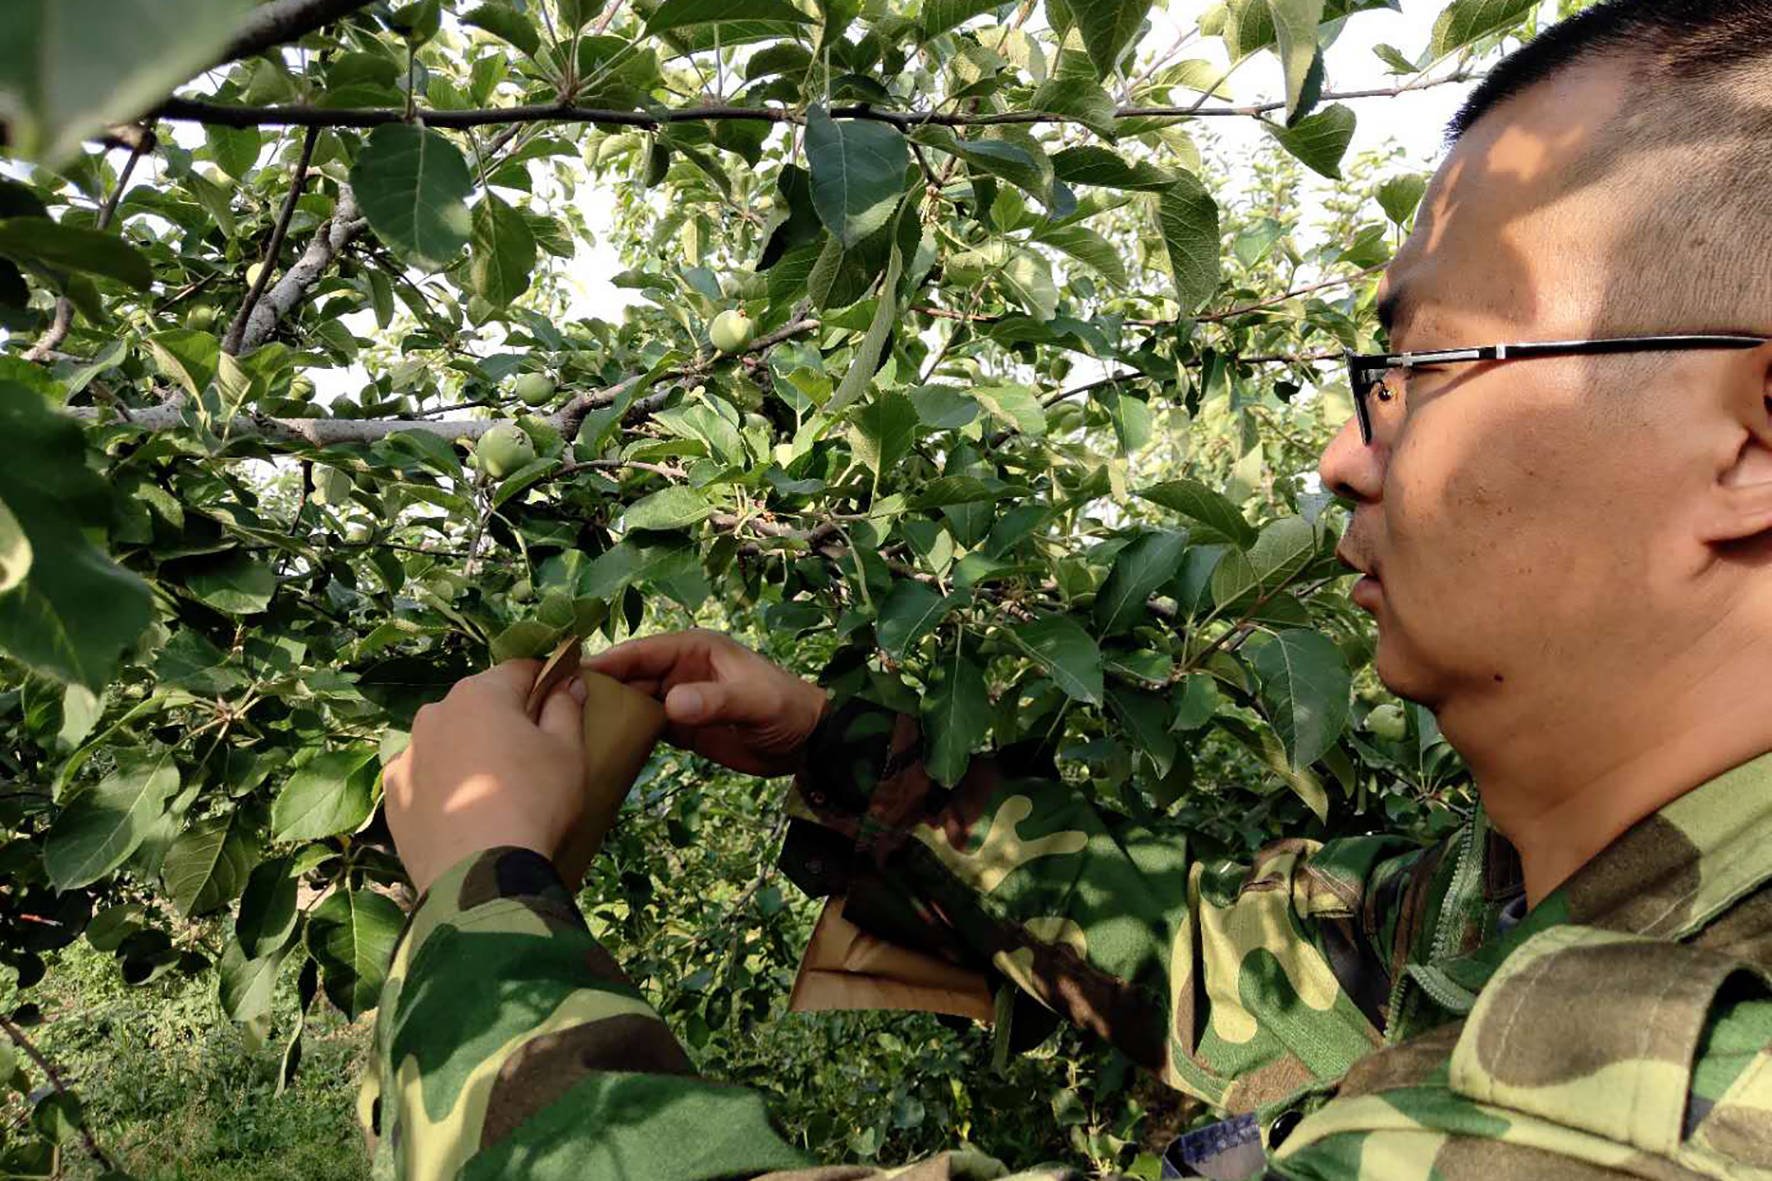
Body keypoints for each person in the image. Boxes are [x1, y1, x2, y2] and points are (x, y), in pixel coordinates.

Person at [363, 2, 1772, 1177]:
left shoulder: (1700, 1101)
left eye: (1427, 368)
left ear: (1753, 440)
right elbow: (1222, 962)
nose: (1348, 455)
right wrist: (840, 750)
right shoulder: (1531, 901)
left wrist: (485, 891)